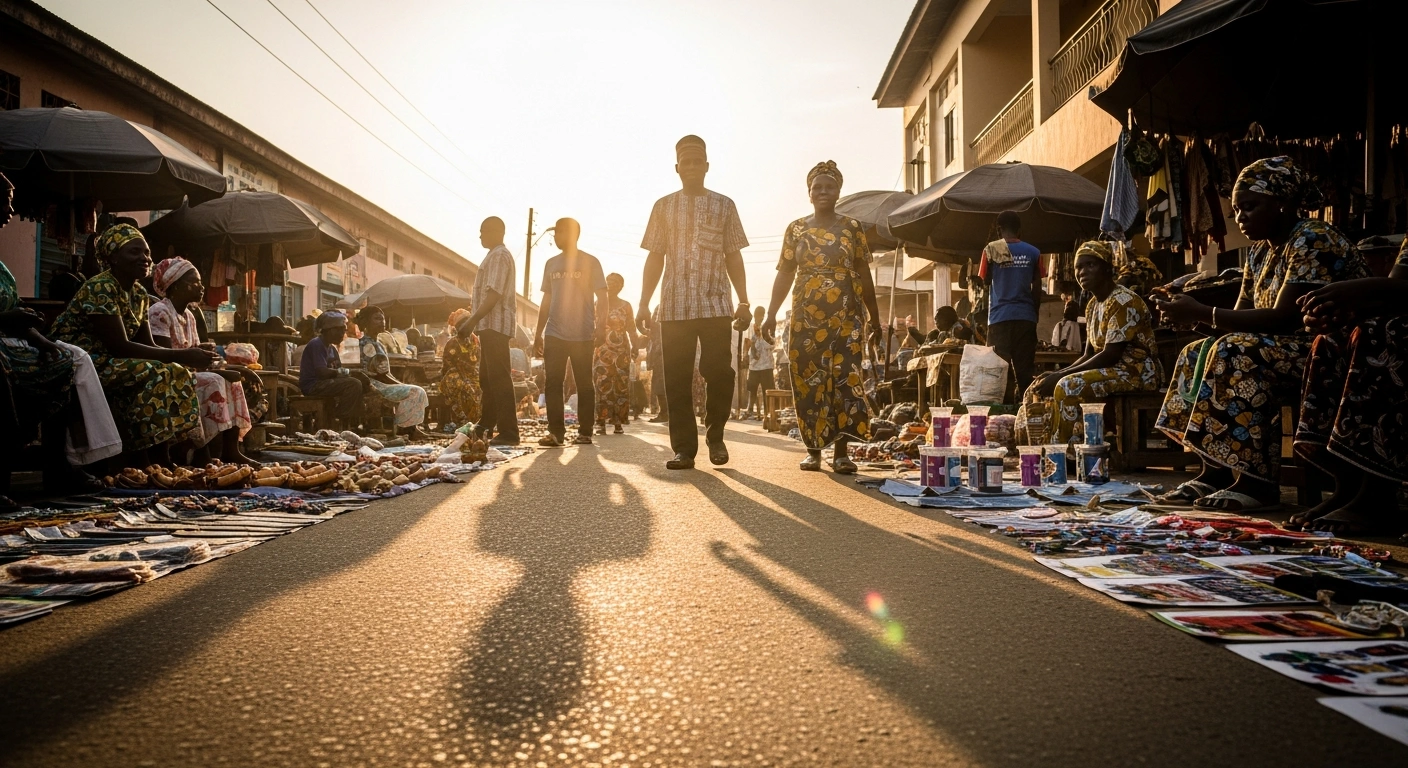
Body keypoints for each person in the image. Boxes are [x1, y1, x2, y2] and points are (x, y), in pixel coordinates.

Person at [1152, 156, 1369, 512]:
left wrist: (1202, 311)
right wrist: (1190, 317)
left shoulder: (1313, 238)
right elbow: (1239, 317)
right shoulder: (1259, 253)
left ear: (1282, 203)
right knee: (1197, 351)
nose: (1240, 218)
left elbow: (1284, 319)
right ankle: (1215, 471)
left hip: (1327, 349)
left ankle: (1255, 482)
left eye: (1250, 207)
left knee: (1235, 352)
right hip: (1279, 347)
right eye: (1237, 210)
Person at [50, 224, 214, 467]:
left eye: (147, 252)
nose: (145, 258)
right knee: (157, 373)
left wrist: (184, 358)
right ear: (113, 257)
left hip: (111, 360)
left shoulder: (138, 293)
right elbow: (120, 347)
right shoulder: (101, 287)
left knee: (176, 372)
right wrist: (183, 355)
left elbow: (146, 344)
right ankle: (146, 458)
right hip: (82, 362)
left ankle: (163, 456)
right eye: (134, 252)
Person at [637, 135, 751, 469]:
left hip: (715, 306)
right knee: (676, 378)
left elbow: (734, 256)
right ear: (677, 168)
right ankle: (684, 449)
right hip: (674, 307)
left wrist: (743, 301)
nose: (691, 167)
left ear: (706, 166)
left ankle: (715, 435)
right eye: (685, 162)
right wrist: (643, 302)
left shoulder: (724, 205)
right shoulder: (663, 206)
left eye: (697, 161)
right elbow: (655, 257)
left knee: (719, 372)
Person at [762, 160, 882, 473]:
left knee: (846, 379)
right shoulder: (796, 229)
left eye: (829, 187)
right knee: (807, 380)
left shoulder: (852, 228)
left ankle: (842, 452)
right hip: (805, 315)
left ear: (839, 191)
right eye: (817, 187)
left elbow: (863, 272)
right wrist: (771, 314)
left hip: (846, 314)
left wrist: (875, 319)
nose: (823, 192)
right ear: (809, 193)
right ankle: (813, 450)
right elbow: (785, 273)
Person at [1288, 238, 1408, 534]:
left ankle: (1378, 495)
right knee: (1334, 336)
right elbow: (1396, 290)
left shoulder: (1312, 237)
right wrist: (1340, 309)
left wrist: (1360, 288)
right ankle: (1349, 485)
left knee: (1382, 335)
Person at [1029, 241, 1163, 443]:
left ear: (1108, 269)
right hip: (1111, 370)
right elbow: (1088, 354)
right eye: (1079, 267)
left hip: (1136, 372)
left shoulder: (1123, 301)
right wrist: (1055, 373)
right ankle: (1045, 447)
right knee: (1037, 387)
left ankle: (1067, 453)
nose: (1083, 272)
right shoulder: (1092, 305)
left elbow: (1111, 355)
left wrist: (1061, 375)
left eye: (1090, 265)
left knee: (1068, 386)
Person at [147, 258, 257, 465]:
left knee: (234, 381)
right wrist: (199, 358)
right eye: (195, 282)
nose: (201, 286)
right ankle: (201, 452)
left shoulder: (189, 315)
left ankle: (231, 450)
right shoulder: (160, 311)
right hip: (171, 375)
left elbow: (198, 353)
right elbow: (162, 355)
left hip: (191, 371)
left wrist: (217, 362)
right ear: (177, 285)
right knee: (213, 382)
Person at [534, 218, 608, 447]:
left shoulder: (590, 262)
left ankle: (585, 431)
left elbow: (602, 296)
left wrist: (601, 326)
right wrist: (538, 333)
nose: (555, 237)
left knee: (584, 382)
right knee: (553, 382)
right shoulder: (551, 264)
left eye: (559, 233)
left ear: (573, 234)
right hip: (554, 332)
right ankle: (556, 432)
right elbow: (546, 299)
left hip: (583, 333)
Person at [457, 217, 520, 446]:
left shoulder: (499, 256)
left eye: (483, 231)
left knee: (499, 378)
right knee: (488, 378)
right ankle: (487, 424)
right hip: (488, 326)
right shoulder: (493, 255)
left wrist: (472, 320)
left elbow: (494, 294)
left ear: (495, 231)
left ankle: (509, 431)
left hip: (495, 325)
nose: (480, 235)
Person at [980, 210, 1044, 396]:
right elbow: (1037, 287)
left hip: (999, 319)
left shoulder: (990, 250)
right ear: (1020, 231)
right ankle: (1026, 414)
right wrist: (1034, 314)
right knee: (1025, 372)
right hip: (1026, 317)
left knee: (999, 373)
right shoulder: (1034, 252)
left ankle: (1003, 417)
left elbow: (985, 282)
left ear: (999, 230)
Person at [356, 305, 431, 439]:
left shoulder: (377, 343)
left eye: (383, 319)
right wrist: (400, 385)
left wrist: (399, 384)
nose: (382, 322)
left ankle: (410, 427)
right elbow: (380, 374)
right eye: (377, 319)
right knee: (416, 391)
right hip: (375, 385)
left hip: (381, 382)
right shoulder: (367, 344)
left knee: (415, 389)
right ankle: (406, 428)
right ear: (366, 322)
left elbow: (385, 372)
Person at [298, 310, 365, 428]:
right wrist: (349, 373)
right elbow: (322, 372)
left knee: (361, 382)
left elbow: (338, 370)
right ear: (330, 330)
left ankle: (356, 422)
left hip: (324, 383)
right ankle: (340, 420)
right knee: (353, 384)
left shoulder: (332, 348)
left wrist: (355, 374)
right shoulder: (317, 344)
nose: (342, 334)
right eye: (340, 330)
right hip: (313, 385)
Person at [592, 273, 639, 434]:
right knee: (602, 383)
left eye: (615, 283)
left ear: (621, 287)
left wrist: (636, 346)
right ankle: (600, 422)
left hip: (621, 353)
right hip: (602, 350)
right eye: (608, 282)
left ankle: (618, 422)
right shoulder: (597, 304)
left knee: (620, 385)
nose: (611, 286)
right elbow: (591, 326)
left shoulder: (626, 306)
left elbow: (632, 328)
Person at [442, 307, 483, 428]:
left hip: (472, 375)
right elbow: (448, 367)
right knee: (465, 387)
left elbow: (478, 361)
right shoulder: (452, 343)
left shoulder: (476, 341)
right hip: (452, 376)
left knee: (482, 387)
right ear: (458, 327)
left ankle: (477, 420)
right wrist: (465, 377)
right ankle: (462, 420)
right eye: (463, 324)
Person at [743, 306, 774, 419]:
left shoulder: (767, 328)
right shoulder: (750, 328)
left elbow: (771, 345)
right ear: (755, 316)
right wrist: (746, 355)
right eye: (757, 315)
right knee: (752, 389)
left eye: (761, 315)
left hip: (767, 365)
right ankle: (750, 410)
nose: (759, 318)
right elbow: (747, 342)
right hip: (754, 366)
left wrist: (762, 335)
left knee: (767, 390)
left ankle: (768, 413)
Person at [907, 306, 974, 347]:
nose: (936, 322)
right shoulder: (951, 329)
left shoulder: (956, 330)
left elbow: (934, 347)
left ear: (946, 319)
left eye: (937, 319)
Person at [645, 305, 667, 422]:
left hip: (660, 352)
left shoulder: (659, 308)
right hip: (671, 350)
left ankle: (664, 412)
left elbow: (651, 327)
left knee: (659, 383)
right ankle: (666, 412)